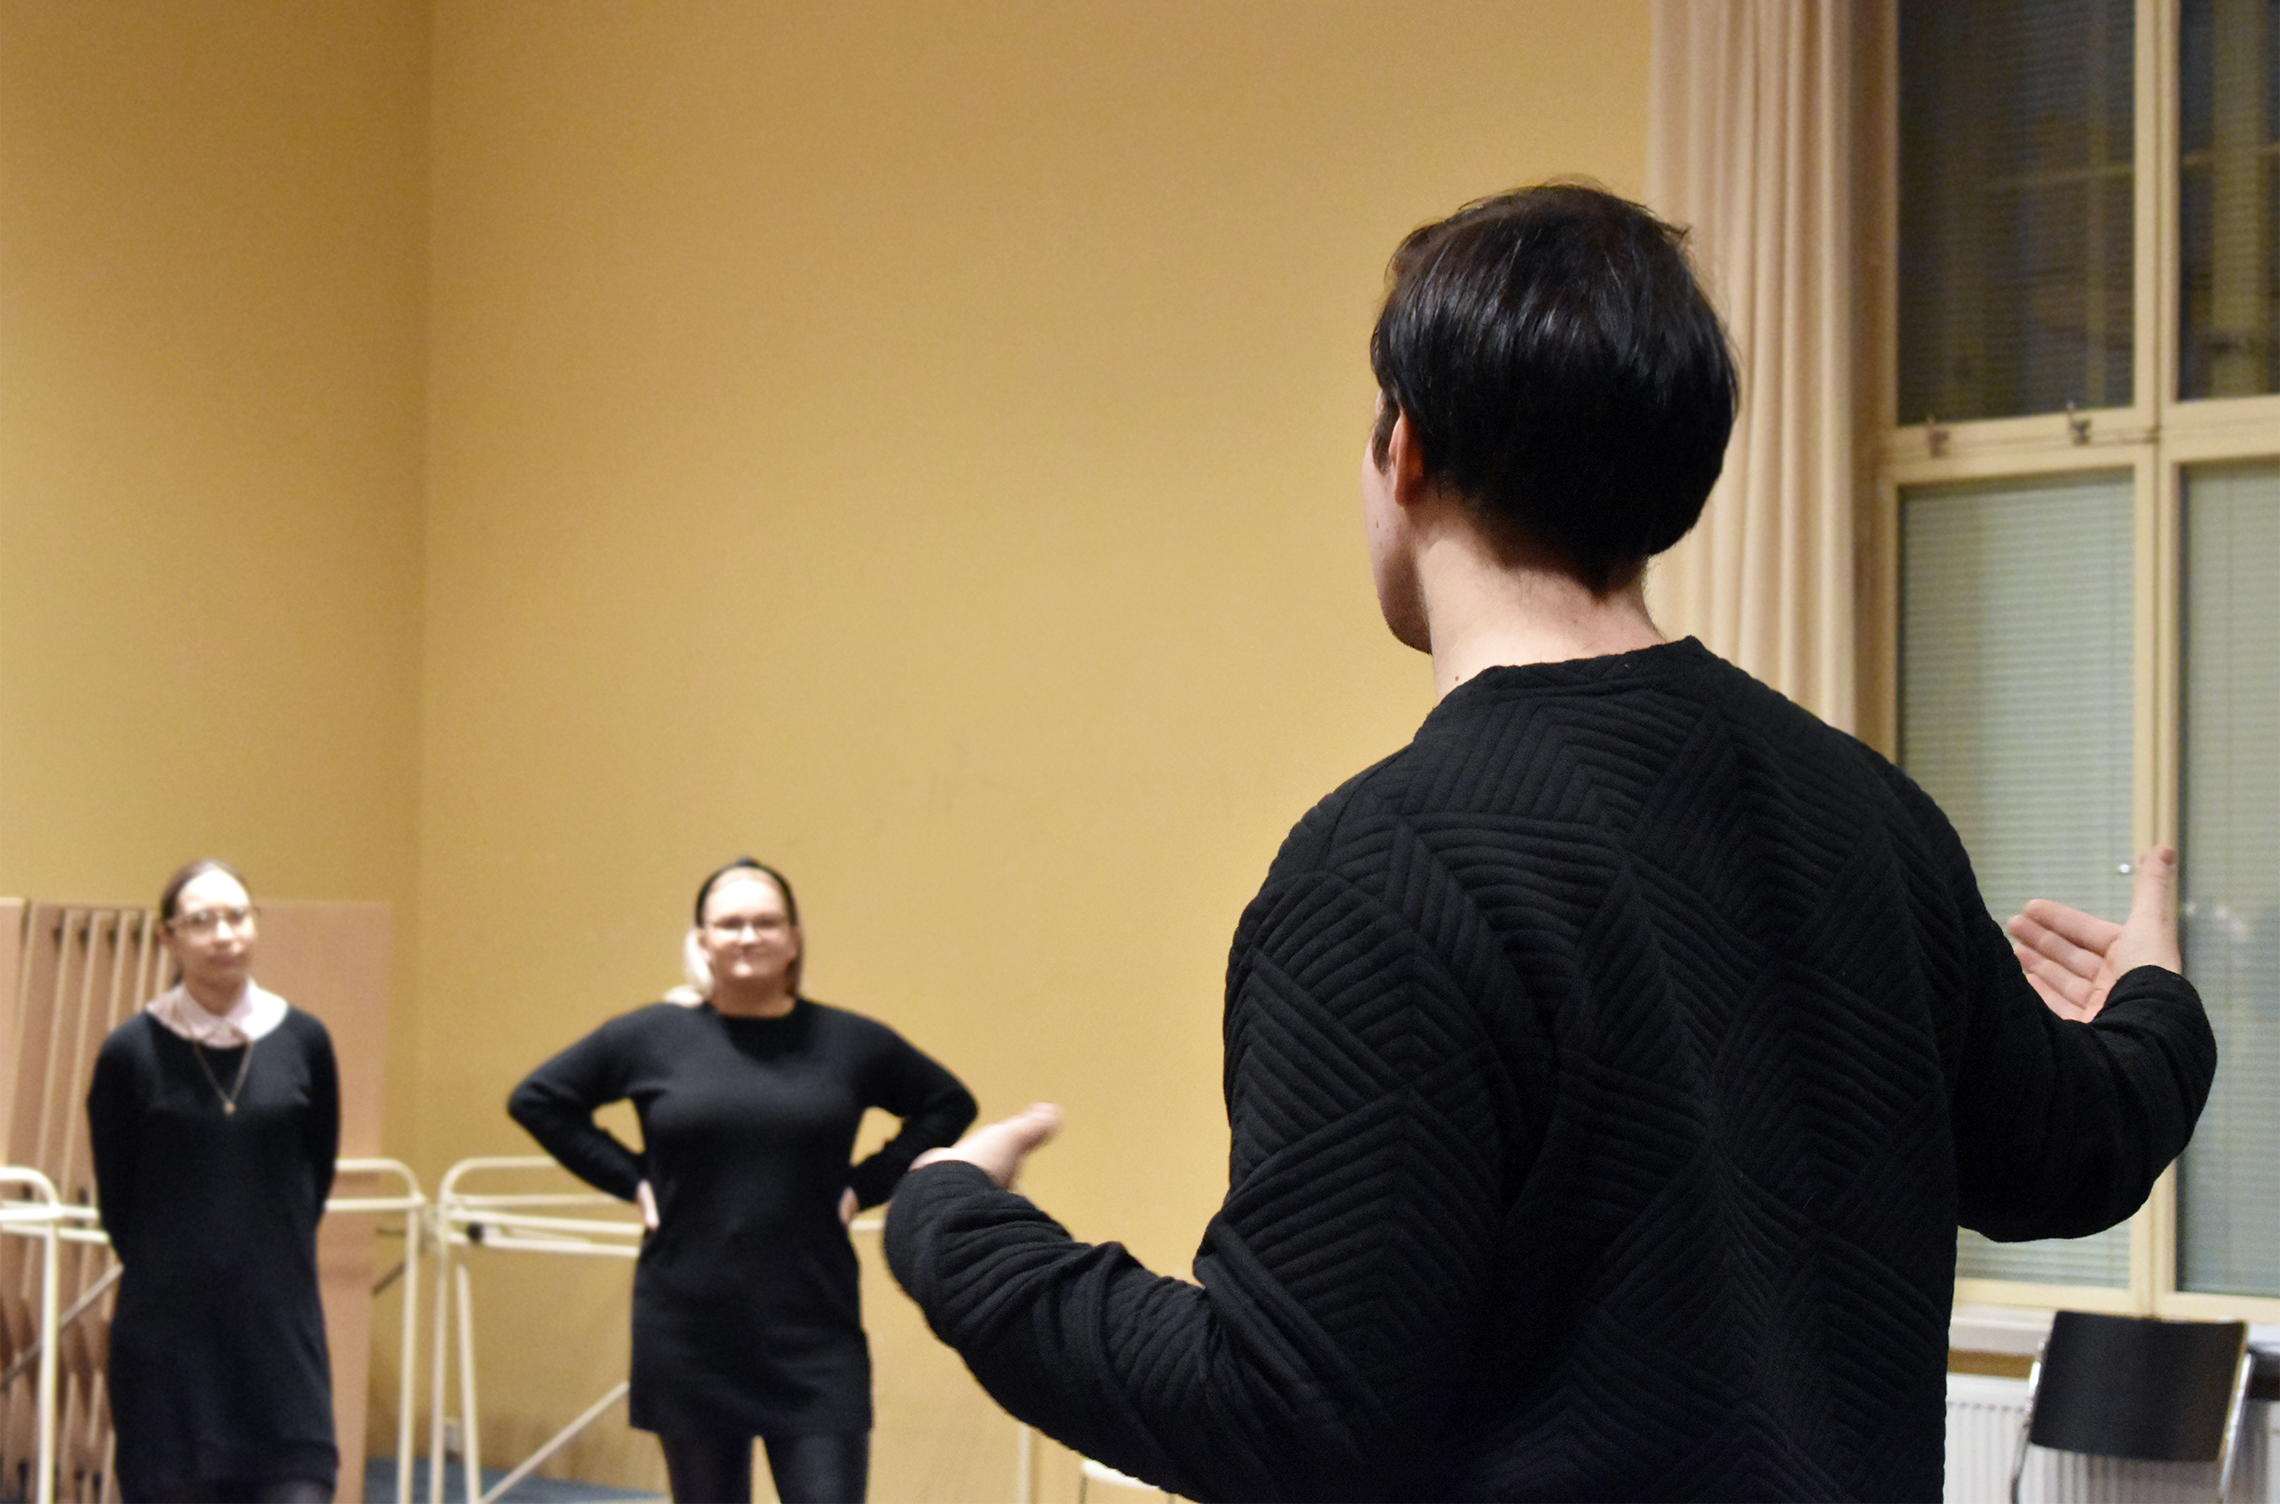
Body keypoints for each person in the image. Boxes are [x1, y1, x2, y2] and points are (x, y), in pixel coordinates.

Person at [881, 184, 2218, 1504]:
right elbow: (2075, 1145)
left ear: (1405, 451)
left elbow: (1280, 1411)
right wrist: (2152, 993)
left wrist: (956, 1225)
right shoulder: (1875, 817)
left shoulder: (1384, 875)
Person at [509, 858, 978, 1504]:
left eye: (766, 922)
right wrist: (631, 1180)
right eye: (729, 924)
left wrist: (864, 1187)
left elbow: (947, 1104)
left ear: (794, 940)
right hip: (689, 1331)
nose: (748, 937)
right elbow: (538, 1100)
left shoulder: (849, 1041)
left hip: (813, 1331)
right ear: (702, 940)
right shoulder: (651, 1036)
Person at [86, 861, 341, 1504]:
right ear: (167, 938)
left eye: (237, 916)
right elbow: (119, 1202)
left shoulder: (305, 1040)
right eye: (201, 921)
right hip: (169, 1345)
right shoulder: (129, 1052)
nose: (224, 935)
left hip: (280, 1342)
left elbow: (313, 1177)